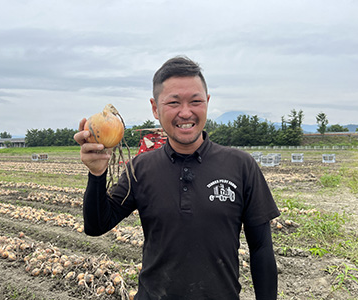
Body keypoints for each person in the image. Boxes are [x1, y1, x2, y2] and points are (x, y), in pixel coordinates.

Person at [74, 56, 280, 300]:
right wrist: (97, 174)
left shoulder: (241, 166)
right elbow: (96, 226)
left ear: (207, 102)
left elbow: (261, 248)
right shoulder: (140, 168)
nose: (186, 112)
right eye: (173, 102)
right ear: (154, 108)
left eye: (195, 101)